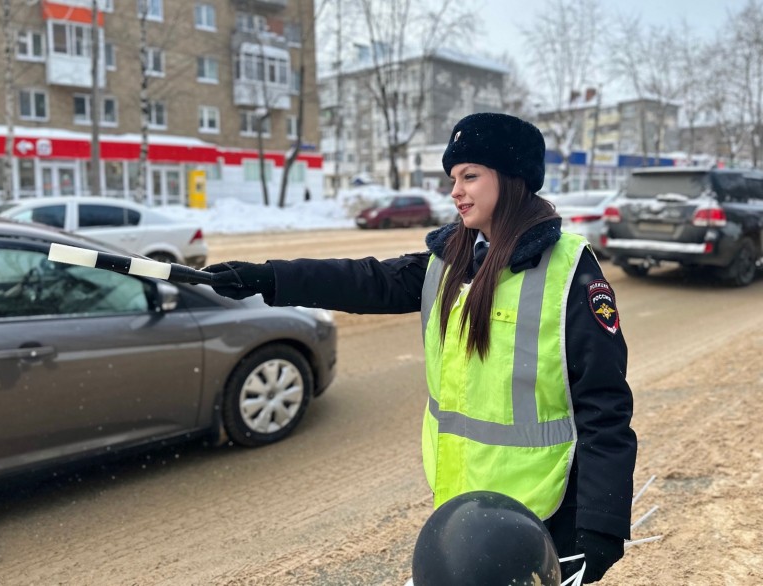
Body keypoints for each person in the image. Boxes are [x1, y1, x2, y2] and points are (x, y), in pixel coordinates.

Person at [201, 112, 637, 584]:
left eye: (470, 175)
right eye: (453, 178)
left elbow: (604, 405)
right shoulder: (450, 262)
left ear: (513, 179)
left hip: (543, 509)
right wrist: (270, 278)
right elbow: (364, 280)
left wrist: (601, 525)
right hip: (461, 505)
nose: (456, 190)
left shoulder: (570, 272)